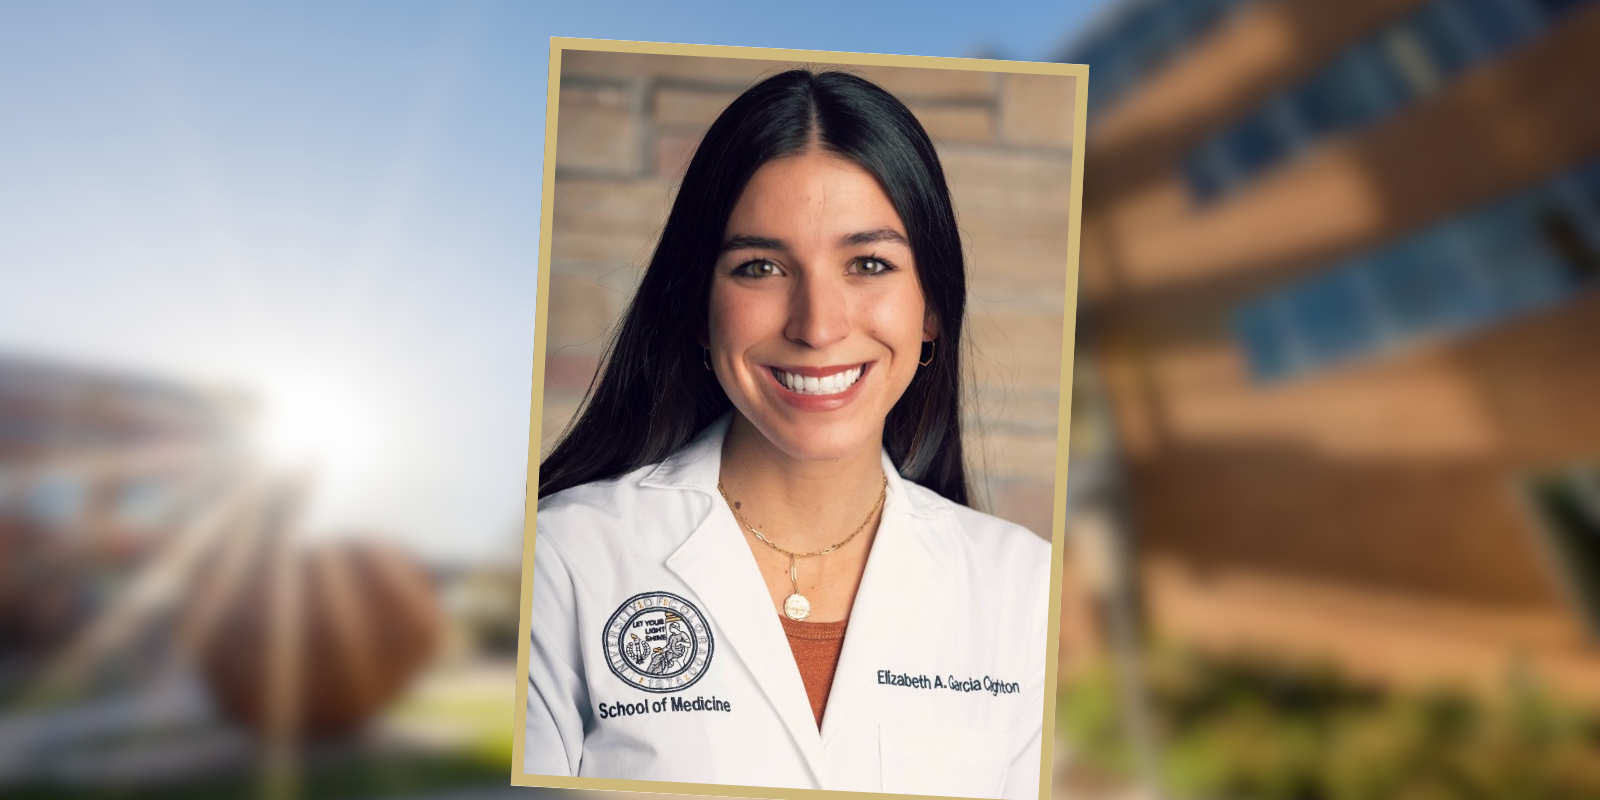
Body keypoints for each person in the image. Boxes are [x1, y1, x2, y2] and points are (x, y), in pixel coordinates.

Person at [523, 68, 1052, 800]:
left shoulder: (1027, 591)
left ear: (930, 310)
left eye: (869, 264)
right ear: (699, 309)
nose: (818, 325)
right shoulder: (563, 562)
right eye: (761, 267)